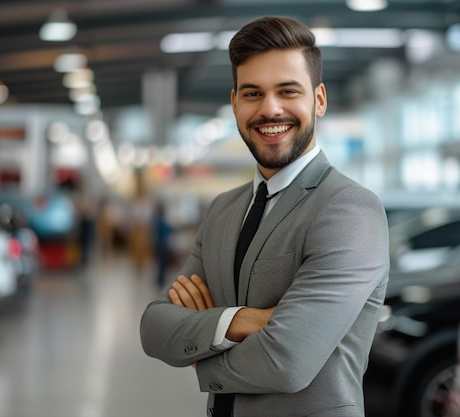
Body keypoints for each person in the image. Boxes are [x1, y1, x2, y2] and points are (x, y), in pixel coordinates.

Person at [140, 16, 389, 417]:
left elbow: (287, 361)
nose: (270, 109)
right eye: (253, 93)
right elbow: (153, 327)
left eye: (288, 91)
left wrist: (203, 339)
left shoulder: (348, 209)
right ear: (236, 101)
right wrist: (242, 321)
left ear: (319, 100)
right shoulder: (224, 209)